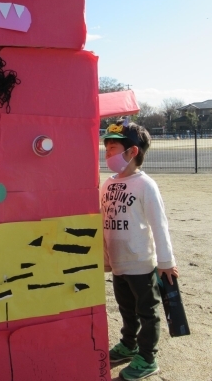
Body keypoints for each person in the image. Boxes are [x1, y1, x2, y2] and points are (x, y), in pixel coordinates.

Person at [100, 120, 178, 381]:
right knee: (125, 308)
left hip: (141, 263)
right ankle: (129, 344)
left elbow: (160, 225)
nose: (107, 154)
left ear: (132, 152)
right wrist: (106, 259)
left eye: (112, 148)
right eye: (106, 148)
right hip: (119, 263)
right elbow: (102, 222)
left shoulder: (145, 185)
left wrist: (166, 262)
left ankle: (147, 357)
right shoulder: (107, 184)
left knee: (147, 311)